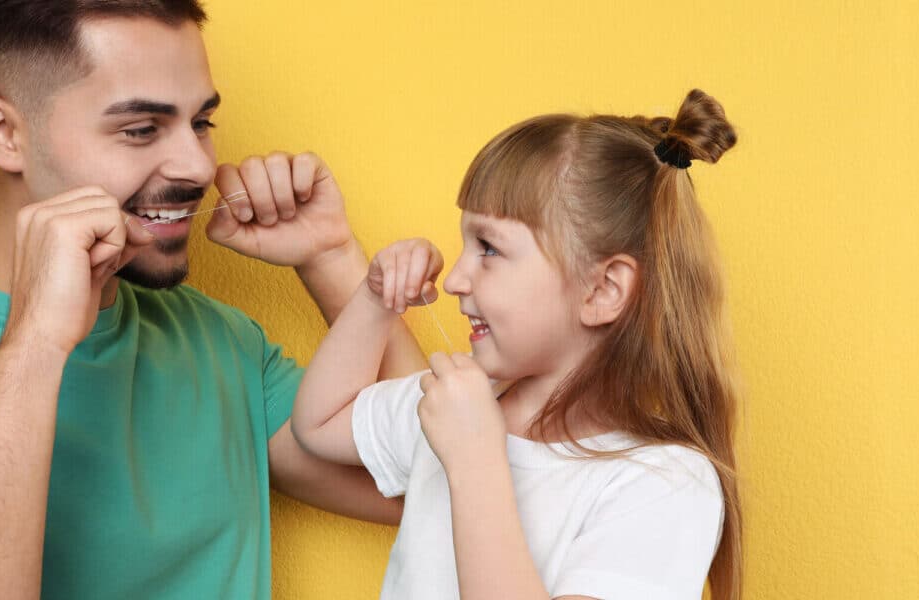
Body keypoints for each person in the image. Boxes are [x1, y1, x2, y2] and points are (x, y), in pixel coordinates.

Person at [0, 1, 428, 598]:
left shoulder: (222, 344)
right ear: (3, 133)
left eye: (201, 122)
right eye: (140, 128)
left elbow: (451, 485)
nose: (198, 165)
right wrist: (37, 343)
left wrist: (334, 260)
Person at [291, 89, 744, 599]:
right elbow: (318, 426)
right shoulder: (463, 403)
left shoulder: (664, 484)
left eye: (489, 248)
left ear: (602, 290)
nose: (457, 277)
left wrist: (474, 462)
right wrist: (375, 300)